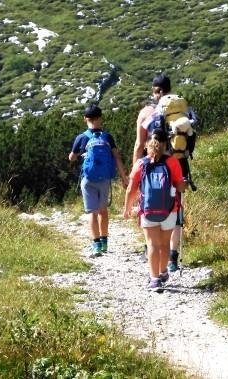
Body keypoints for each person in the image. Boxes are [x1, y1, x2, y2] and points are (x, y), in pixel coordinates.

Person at [133, 74, 193, 274]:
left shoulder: (150, 112)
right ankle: (172, 257)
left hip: (154, 167)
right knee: (175, 210)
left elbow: (140, 143)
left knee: (151, 204)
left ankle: (152, 247)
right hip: (178, 164)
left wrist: (136, 169)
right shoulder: (183, 109)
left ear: (155, 90)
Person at [124, 128, 186, 291]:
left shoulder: (140, 163)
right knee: (165, 243)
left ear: (146, 145)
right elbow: (180, 186)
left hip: (148, 210)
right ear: (166, 144)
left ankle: (154, 279)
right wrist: (183, 183)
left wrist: (127, 208)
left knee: (152, 245)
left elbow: (131, 189)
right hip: (170, 209)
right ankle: (163, 271)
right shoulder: (172, 162)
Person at [69, 104, 128, 257]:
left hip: (88, 179)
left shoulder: (81, 137)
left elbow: (71, 157)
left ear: (85, 119)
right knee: (103, 211)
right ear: (100, 118)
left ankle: (95, 245)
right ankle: (104, 242)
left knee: (92, 213)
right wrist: (124, 178)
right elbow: (117, 157)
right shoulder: (107, 137)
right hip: (104, 179)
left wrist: (77, 155)